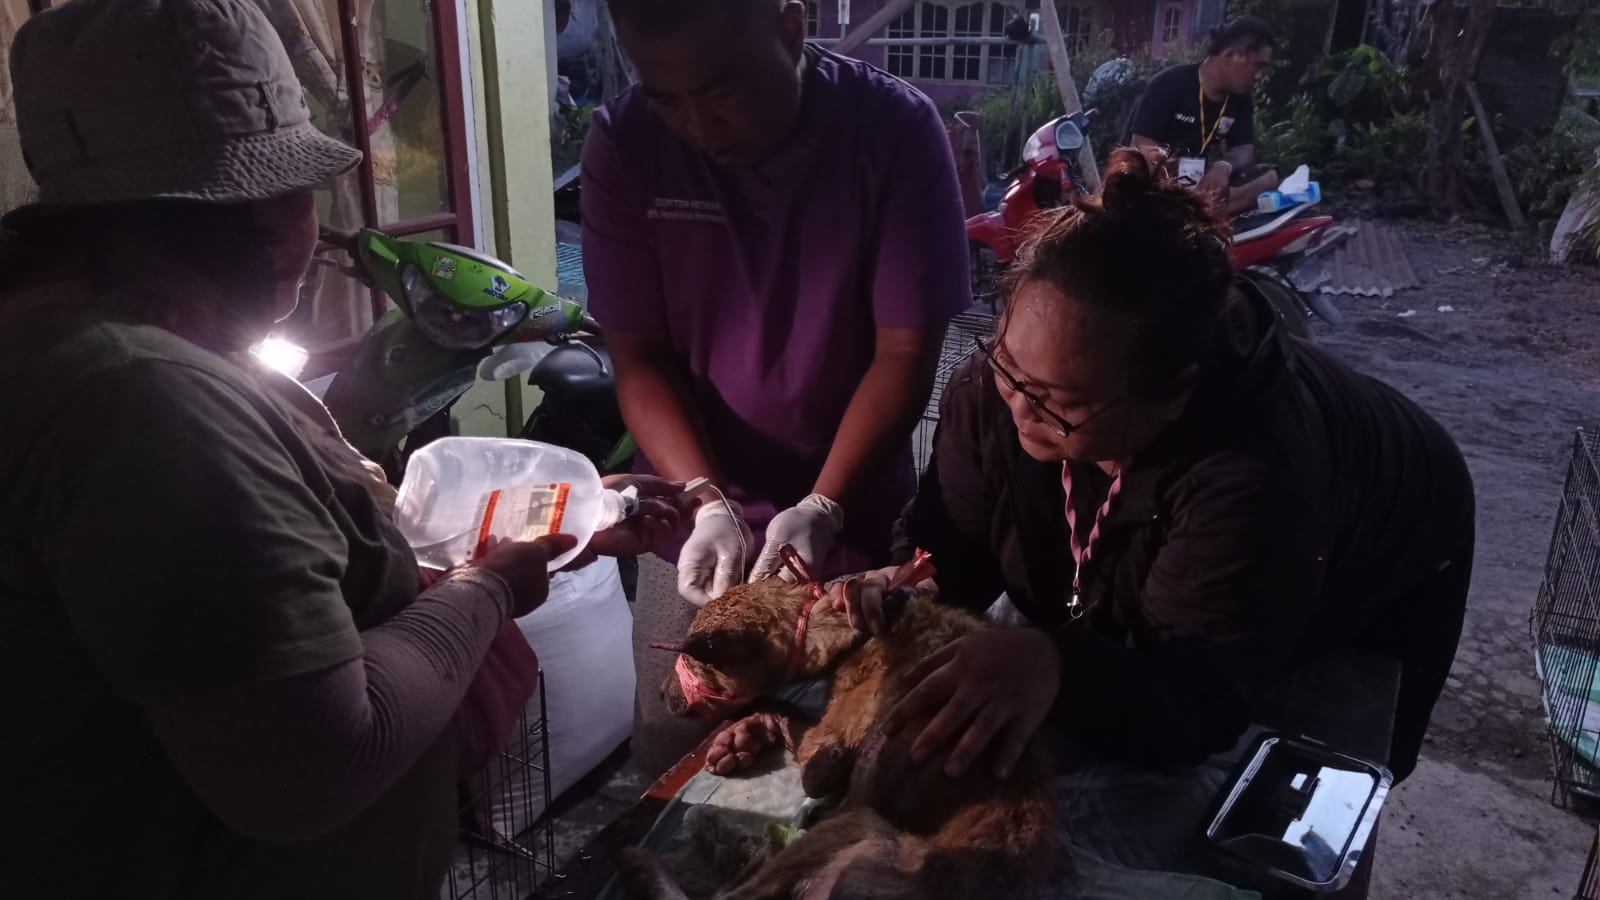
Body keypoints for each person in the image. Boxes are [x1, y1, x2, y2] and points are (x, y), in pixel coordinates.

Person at [0, 2, 683, 897]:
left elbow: (282, 583)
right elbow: (315, 760)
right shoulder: (146, 404)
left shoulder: (75, 343)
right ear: (247, 213)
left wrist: (572, 524)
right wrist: (485, 592)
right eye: (301, 192)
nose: (317, 230)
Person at [835, 149, 1474, 786]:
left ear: (1170, 394)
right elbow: (950, 544)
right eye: (1007, 364)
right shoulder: (996, 389)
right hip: (1237, 521)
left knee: (1308, 766)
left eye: (1061, 401)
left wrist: (1056, 663)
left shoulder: (1251, 475)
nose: (1019, 406)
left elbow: (1198, 695)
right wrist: (913, 583)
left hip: (1389, 553)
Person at [583, 0, 971, 776]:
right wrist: (703, 499)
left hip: (852, 522)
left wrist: (824, 505)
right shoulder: (625, 144)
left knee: (848, 755)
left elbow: (904, 352)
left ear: (791, 29)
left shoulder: (892, 133)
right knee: (680, 758)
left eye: (722, 91)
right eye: (667, 99)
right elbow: (639, 357)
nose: (699, 126)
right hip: (692, 531)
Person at [1129, 17, 1280, 216]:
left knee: (1269, 178)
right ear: (1230, 55)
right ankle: (1190, 216)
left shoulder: (1240, 98)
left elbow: (1244, 149)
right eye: (1257, 66)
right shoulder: (1169, 84)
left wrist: (1224, 166)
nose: (1259, 76)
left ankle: (1193, 215)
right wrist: (1175, 180)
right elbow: (1141, 150)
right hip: (1157, 183)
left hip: (1199, 184)